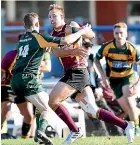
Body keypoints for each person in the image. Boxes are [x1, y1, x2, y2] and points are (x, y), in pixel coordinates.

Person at [48, 4, 135, 144]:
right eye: (50, 16)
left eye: (54, 16)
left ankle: (74, 130)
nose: (52, 19)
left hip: (78, 71)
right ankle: (126, 125)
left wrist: (82, 32)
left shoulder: (70, 27)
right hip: (73, 73)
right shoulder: (53, 35)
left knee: (52, 100)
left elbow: (91, 34)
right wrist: (74, 47)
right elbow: (57, 51)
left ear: (62, 17)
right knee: (93, 111)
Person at [10, 12, 91, 145]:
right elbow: (65, 40)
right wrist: (81, 31)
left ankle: (38, 136)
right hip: (28, 79)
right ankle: (41, 132)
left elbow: (35, 52)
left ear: (25, 26)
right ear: (37, 24)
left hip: (15, 81)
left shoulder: (22, 40)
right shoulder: (40, 37)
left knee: (38, 108)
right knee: (48, 107)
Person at [94, 22, 140, 136]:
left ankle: (136, 129)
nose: (119, 36)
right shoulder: (107, 47)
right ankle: (134, 123)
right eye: (116, 33)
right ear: (113, 34)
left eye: (121, 33)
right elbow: (96, 60)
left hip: (128, 77)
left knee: (129, 100)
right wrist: (103, 76)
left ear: (126, 34)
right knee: (126, 107)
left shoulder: (132, 49)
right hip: (114, 80)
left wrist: (137, 84)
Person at [1, 48, 34, 139]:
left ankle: (25, 138)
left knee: (29, 116)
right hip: (7, 85)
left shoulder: (32, 55)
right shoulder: (10, 55)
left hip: (21, 87)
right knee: (6, 112)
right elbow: (2, 71)